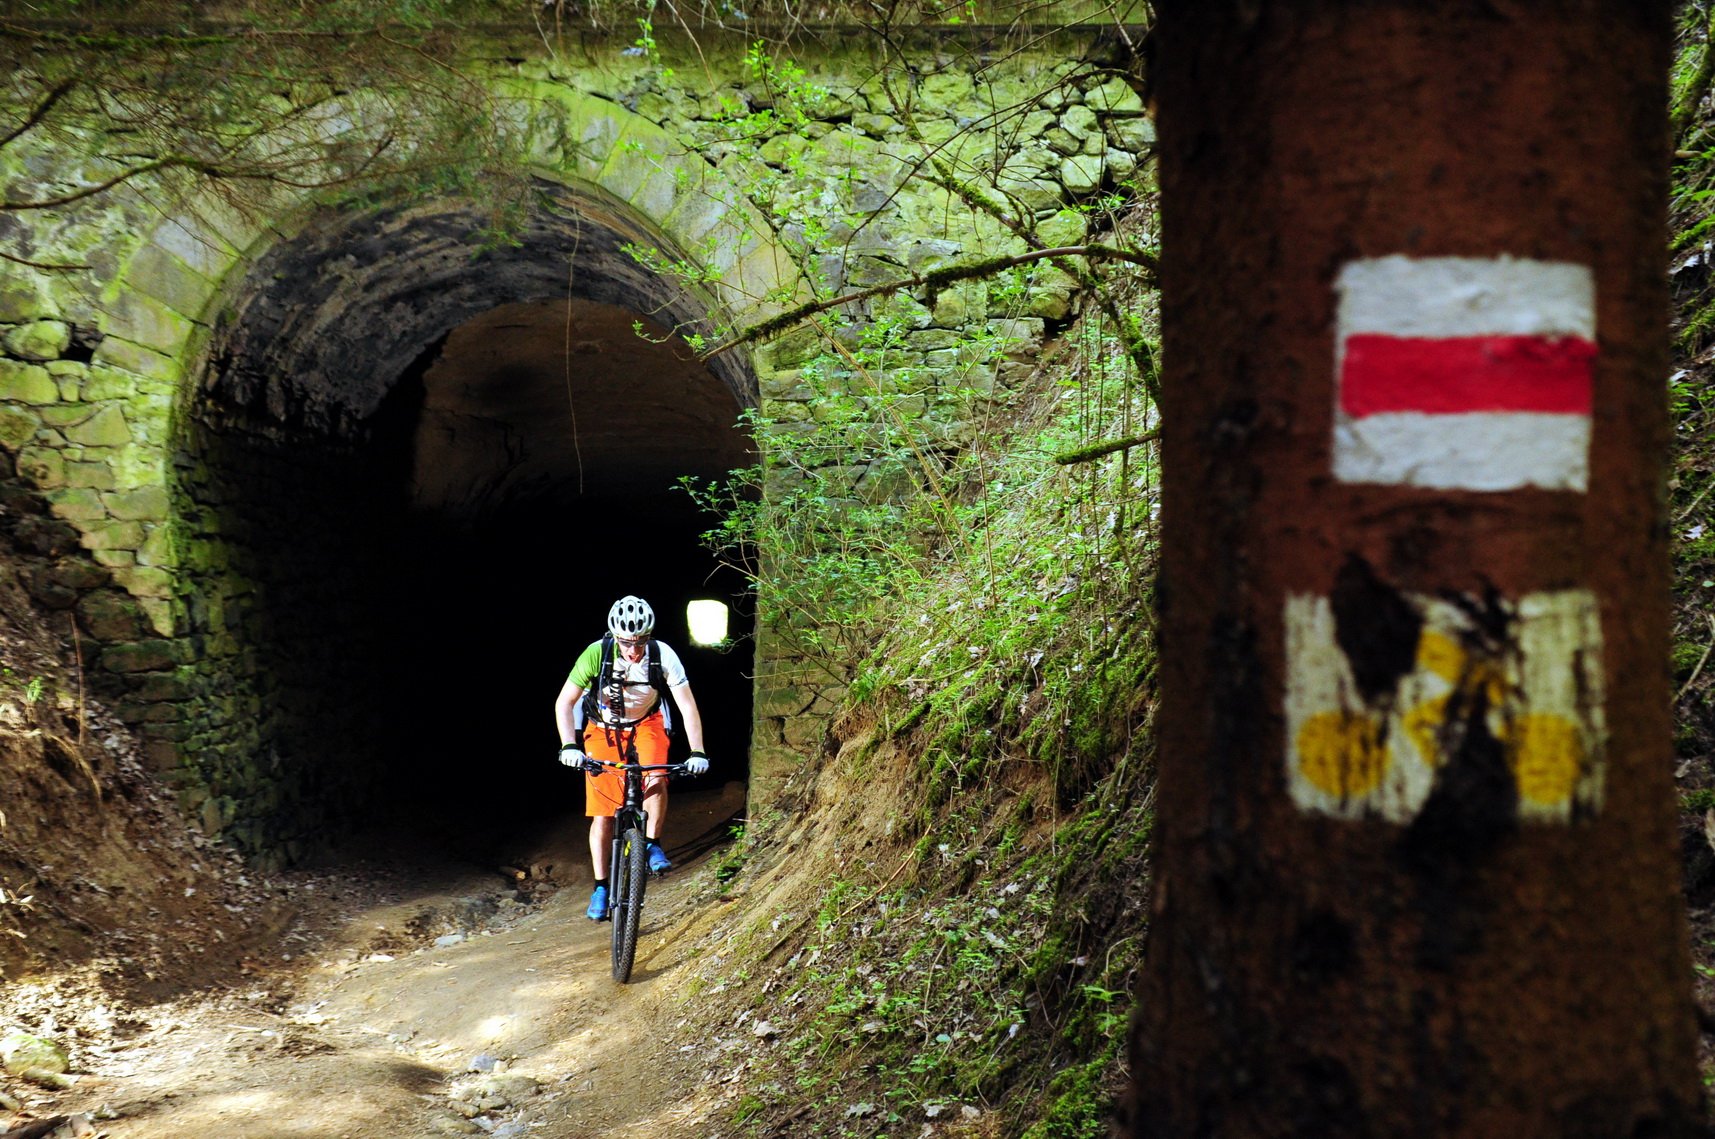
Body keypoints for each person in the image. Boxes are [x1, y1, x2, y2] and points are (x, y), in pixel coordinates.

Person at [555, 595, 710, 921]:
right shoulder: (596, 653)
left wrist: (697, 751)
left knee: (657, 776)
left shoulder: (662, 655)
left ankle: (652, 842)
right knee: (603, 815)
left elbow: (687, 706)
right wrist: (569, 745)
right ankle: (600, 886)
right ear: (615, 636)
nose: (634, 650)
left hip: (648, 723)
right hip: (602, 728)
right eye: (627, 642)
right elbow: (564, 703)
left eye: (640, 641)